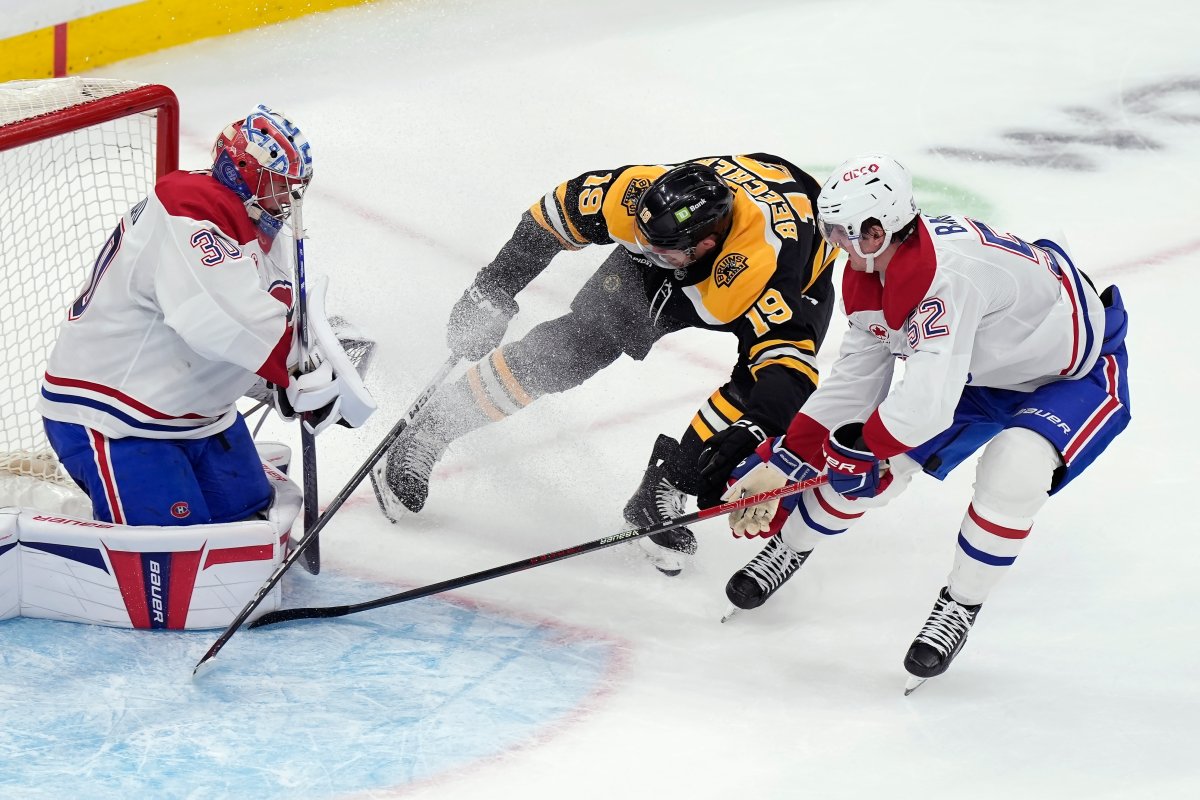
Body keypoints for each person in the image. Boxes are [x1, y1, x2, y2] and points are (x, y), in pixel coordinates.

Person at [720, 154, 1130, 691]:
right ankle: (791, 547)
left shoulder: (946, 277)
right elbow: (855, 383)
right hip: (978, 372)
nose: (834, 244)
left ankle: (961, 605)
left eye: (843, 233)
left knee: (1013, 471)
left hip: (1071, 373)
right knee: (871, 465)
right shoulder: (874, 270)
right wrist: (786, 460)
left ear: (877, 230)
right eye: (831, 231)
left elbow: (925, 406)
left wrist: (857, 450)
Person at [371, 155, 838, 575]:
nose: (649, 257)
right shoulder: (635, 196)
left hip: (798, 272)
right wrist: (494, 286)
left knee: (757, 390)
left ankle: (667, 485)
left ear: (709, 243)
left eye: (664, 252)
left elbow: (788, 368)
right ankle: (433, 427)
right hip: (724, 228)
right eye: (644, 242)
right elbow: (552, 216)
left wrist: (757, 434)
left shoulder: (763, 271)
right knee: (578, 346)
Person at [38, 104, 375, 526]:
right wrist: (295, 367)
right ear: (242, 170)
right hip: (116, 420)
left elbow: (261, 322)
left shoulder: (260, 232)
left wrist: (283, 384)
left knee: (248, 521)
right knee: (178, 550)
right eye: (278, 185)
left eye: (294, 188)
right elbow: (218, 319)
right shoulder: (189, 208)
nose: (287, 200)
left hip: (194, 417)